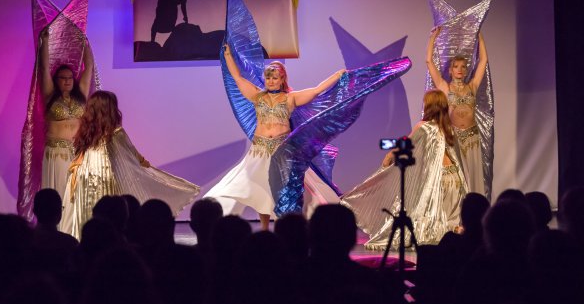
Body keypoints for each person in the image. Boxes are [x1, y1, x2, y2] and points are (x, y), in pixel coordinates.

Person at [204, 46, 345, 231]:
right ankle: (264, 230)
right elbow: (237, 77)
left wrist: (337, 75)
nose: (270, 81)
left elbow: (317, 90)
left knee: (281, 191)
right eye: (268, 78)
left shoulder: (290, 98)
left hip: (281, 151)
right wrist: (228, 55)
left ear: (282, 79)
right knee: (260, 190)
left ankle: (281, 229)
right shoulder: (257, 96)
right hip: (259, 151)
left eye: (275, 78)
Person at [59, 91, 200, 240]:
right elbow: (131, 152)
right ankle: (110, 239)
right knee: (109, 209)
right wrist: (143, 163)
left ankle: (86, 238)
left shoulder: (87, 132)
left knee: (87, 208)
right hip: (104, 176)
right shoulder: (115, 132)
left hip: (83, 176)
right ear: (110, 109)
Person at [341, 89, 467, 249]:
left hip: (439, 180)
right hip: (453, 178)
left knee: (426, 212)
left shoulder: (423, 127)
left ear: (429, 106)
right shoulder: (447, 129)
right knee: (444, 215)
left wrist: (390, 154)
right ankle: (453, 229)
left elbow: (406, 143)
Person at [425, 27, 489, 196]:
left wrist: (479, 35)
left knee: (473, 177)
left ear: (466, 70)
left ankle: (474, 208)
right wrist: (433, 38)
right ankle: (459, 209)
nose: (460, 69)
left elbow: (483, 61)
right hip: (454, 138)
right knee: (458, 179)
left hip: (472, 138)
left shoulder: (472, 86)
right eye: (456, 66)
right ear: (450, 70)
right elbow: (429, 62)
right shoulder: (444, 87)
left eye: (463, 67)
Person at [39, 27, 94, 198]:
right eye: (63, 78)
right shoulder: (50, 95)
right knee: (60, 192)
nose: (67, 81)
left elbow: (89, 67)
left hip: (76, 152)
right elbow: (44, 68)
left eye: (70, 78)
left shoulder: (81, 95)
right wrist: (45, 41)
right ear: (56, 80)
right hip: (56, 153)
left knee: (75, 194)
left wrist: (84, 43)